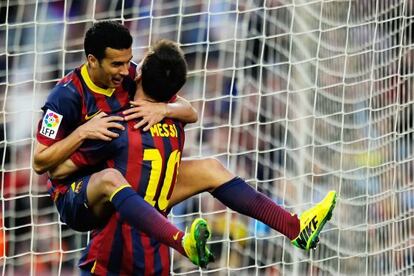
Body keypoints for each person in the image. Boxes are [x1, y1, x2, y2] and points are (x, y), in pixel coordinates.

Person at [50, 42, 337, 276]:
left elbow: (59, 169)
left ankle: (183, 242)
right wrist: (166, 109)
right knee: (211, 168)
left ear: (137, 76)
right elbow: (190, 112)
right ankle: (295, 227)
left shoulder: (117, 126)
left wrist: (83, 135)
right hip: (155, 250)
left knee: (111, 179)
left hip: (113, 251)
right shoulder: (176, 122)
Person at [33, 21, 213, 270]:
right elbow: (39, 162)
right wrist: (82, 133)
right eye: (117, 64)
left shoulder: (129, 74)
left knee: (207, 169)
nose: (125, 70)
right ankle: (180, 241)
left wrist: (163, 108)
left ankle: (284, 223)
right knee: (113, 177)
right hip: (73, 195)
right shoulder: (64, 98)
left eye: (128, 61)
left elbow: (190, 112)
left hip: (111, 178)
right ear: (92, 60)